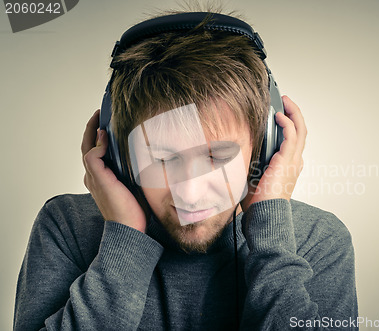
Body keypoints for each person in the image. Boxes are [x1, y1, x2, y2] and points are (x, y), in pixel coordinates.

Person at [14, 9, 358, 331]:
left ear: (265, 146)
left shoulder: (318, 239)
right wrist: (125, 239)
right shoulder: (66, 227)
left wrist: (271, 244)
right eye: (163, 160)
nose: (189, 194)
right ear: (120, 155)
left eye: (217, 156)